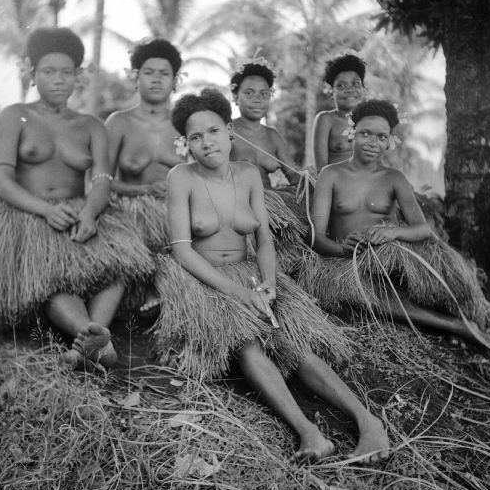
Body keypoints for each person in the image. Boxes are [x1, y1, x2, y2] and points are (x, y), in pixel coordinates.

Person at [151, 88, 390, 464]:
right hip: (206, 280)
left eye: (213, 131)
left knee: (293, 342)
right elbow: (181, 250)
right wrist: (238, 294)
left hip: (253, 275)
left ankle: (368, 422)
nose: (206, 143)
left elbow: (263, 238)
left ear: (229, 131)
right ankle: (309, 433)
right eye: (195, 137)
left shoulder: (247, 174)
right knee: (248, 344)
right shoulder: (180, 177)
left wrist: (270, 284)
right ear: (186, 144)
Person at [0, 27, 154, 369]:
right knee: (51, 276)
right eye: (49, 72)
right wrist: (43, 210)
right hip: (28, 213)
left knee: (120, 266)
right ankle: (94, 338)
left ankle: (91, 339)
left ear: (77, 77)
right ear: (33, 74)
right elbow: (1, 180)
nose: (58, 80)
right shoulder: (15, 115)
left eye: (66, 72)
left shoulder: (91, 125)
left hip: (78, 209)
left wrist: (90, 213)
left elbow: (101, 179)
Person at [301, 99, 490, 356]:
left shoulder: (394, 178)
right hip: (347, 263)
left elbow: (423, 230)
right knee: (366, 295)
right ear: (351, 132)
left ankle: (471, 317)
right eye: (365, 133)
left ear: (390, 141)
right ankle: (455, 327)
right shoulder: (331, 174)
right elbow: (315, 236)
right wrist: (341, 249)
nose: (372, 142)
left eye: (381, 137)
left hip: (389, 256)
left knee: (444, 271)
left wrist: (393, 231)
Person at [105, 38, 186, 312]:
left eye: (164, 74)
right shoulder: (119, 122)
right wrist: (142, 191)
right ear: (136, 77)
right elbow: (100, 180)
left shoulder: (186, 124)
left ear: (175, 80)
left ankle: (167, 294)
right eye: (148, 73)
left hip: (177, 216)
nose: (156, 80)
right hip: (130, 214)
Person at [229, 57, 309, 271]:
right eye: (249, 93)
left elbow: (293, 175)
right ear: (235, 96)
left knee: (297, 257)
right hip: (234, 209)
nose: (257, 99)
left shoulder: (273, 137)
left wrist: (310, 177)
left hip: (271, 208)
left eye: (264, 94)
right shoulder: (227, 131)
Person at [313, 53, 366, 173]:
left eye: (356, 83)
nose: (349, 89)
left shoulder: (372, 121)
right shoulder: (326, 119)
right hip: (336, 187)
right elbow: (322, 170)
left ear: (363, 88)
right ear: (332, 92)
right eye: (341, 85)